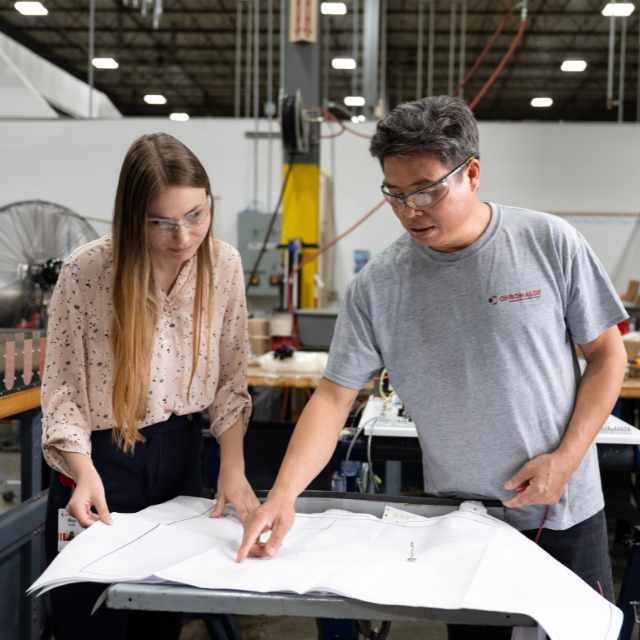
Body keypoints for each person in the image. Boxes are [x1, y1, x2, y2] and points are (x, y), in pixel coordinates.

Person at [237, 97, 629, 638]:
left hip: (564, 509)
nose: (410, 209)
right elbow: (332, 398)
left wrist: (565, 458)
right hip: (462, 521)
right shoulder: (380, 285)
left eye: (426, 190)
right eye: (394, 195)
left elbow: (608, 355)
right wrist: (282, 496)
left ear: (471, 172)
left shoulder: (547, 242)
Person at [42, 133, 259, 640]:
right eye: (161, 222)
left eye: (196, 216)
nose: (183, 237)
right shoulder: (88, 272)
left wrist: (233, 466)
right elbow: (64, 391)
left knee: (160, 615)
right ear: (131, 216)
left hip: (180, 455)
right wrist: (82, 471)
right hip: (99, 461)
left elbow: (232, 376)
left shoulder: (222, 266)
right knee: (89, 616)